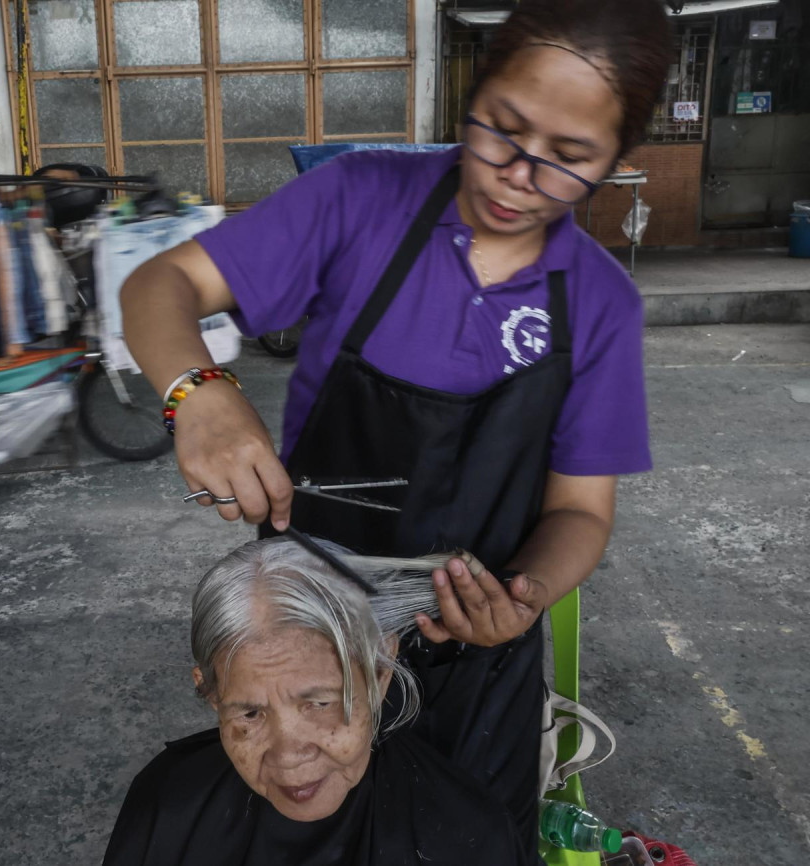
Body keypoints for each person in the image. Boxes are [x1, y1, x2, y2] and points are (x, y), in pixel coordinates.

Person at [118, 0, 671, 852]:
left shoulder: (598, 305)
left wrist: (520, 600)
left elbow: (581, 516)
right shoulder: (361, 202)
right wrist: (198, 391)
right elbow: (159, 286)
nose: (519, 176)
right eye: (504, 130)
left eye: (568, 159)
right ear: (471, 94)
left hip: (478, 669)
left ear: (616, 161)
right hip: (315, 657)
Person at [103, 537, 528, 866]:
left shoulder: (468, 834)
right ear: (212, 693)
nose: (288, 757)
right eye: (250, 713)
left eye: (320, 704)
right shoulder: (167, 808)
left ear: (381, 674)